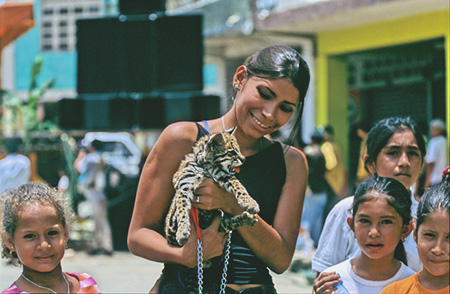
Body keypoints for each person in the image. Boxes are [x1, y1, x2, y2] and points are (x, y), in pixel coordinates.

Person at [127, 44, 310, 293]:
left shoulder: (291, 162)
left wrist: (233, 204)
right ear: (240, 78)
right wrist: (183, 255)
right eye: (264, 94)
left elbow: (280, 259)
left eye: (286, 108)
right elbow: (138, 235)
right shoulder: (182, 138)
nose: (269, 113)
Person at [312, 116, 427, 278]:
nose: (404, 162)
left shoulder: (426, 216)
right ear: (370, 163)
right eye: (393, 152)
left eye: (413, 153)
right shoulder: (346, 210)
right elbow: (324, 281)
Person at [314, 177, 416, 293]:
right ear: (352, 226)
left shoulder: (414, 286)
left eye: (386, 222)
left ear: (405, 230)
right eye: (364, 221)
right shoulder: (332, 282)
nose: (373, 233)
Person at [1, 183, 101, 293]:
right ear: (10, 241)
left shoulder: (85, 284)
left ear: (65, 233)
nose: (44, 245)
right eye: (30, 236)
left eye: (52, 233)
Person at [380, 168, 449, 294]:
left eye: (449, 238)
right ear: (415, 235)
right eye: (430, 235)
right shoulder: (394, 291)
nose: (438, 250)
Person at [75, 139, 113, 256]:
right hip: (100, 192)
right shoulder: (102, 157)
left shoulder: (90, 158)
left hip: (93, 192)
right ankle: (104, 244)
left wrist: (81, 154)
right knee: (102, 220)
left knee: (97, 220)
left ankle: (100, 245)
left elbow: (77, 167)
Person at [301, 130, 330, 246]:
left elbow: (304, 171)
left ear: (311, 140)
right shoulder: (322, 153)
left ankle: (303, 243)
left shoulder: (307, 152)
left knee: (306, 218)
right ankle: (316, 242)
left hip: (310, 190)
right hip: (322, 190)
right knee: (318, 219)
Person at [320, 125, 346, 199]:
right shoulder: (335, 145)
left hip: (330, 181)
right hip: (337, 181)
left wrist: (321, 172)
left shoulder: (327, 146)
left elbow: (331, 164)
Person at [424, 118, 448, 188]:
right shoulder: (445, 141)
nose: (431, 131)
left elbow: (430, 163)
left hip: (434, 179)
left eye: (432, 129)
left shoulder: (434, 142)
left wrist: (427, 182)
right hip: (444, 178)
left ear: (438, 130)